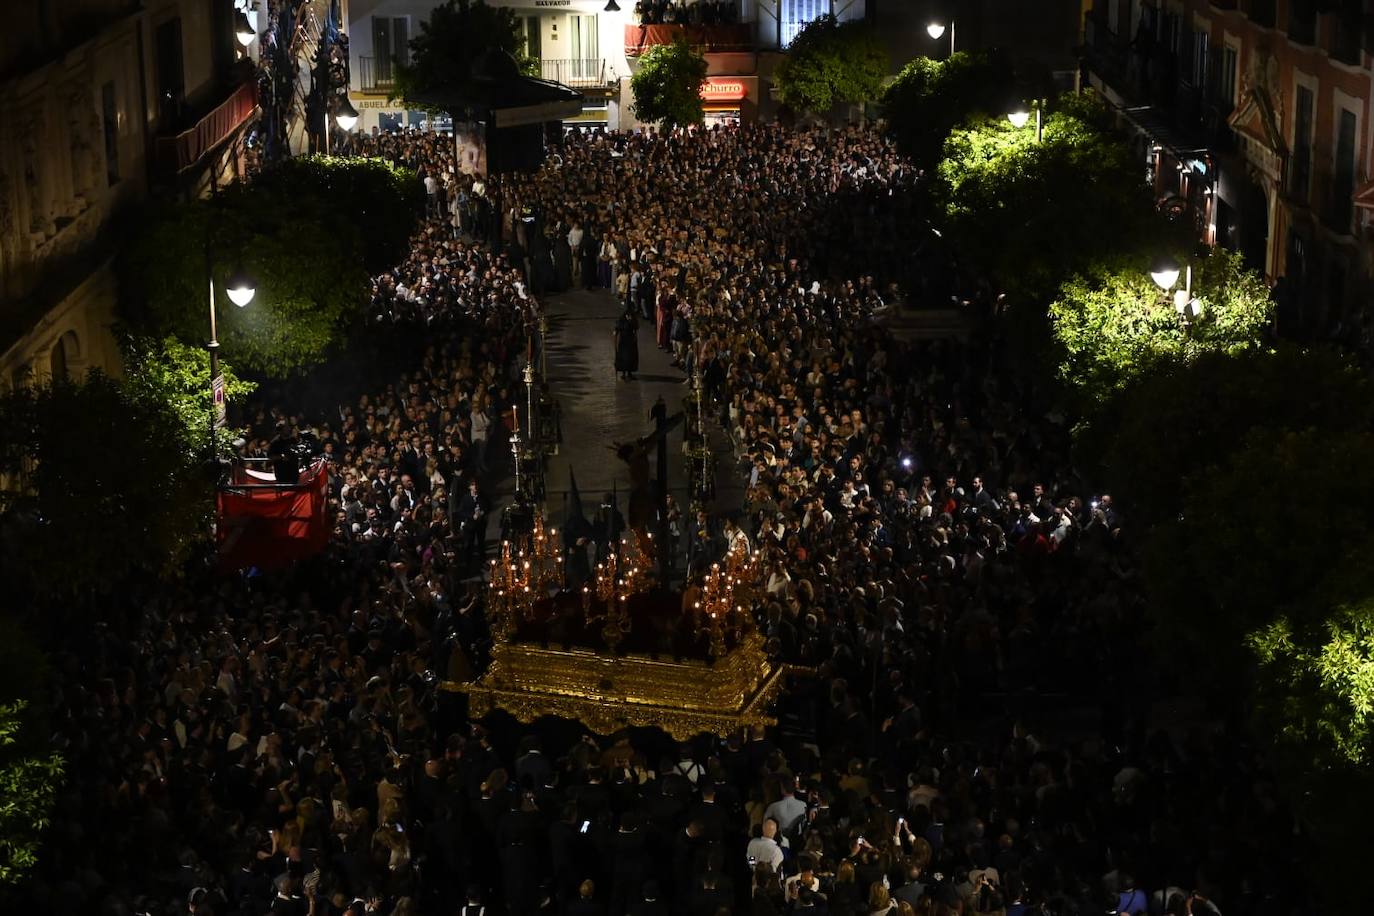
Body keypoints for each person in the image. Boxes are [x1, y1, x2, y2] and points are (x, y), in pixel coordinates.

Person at [614, 309, 640, 381]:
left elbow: (635, 330)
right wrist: (615, 340)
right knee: (624, 358)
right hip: (623, 342)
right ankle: (624, 373)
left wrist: (635, 339)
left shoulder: (633, 321)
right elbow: (616, 331)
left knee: (631, 358)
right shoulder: (621, 322)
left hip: (631, 342)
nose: (629, 317)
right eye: (628, 316)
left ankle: (629, 373)